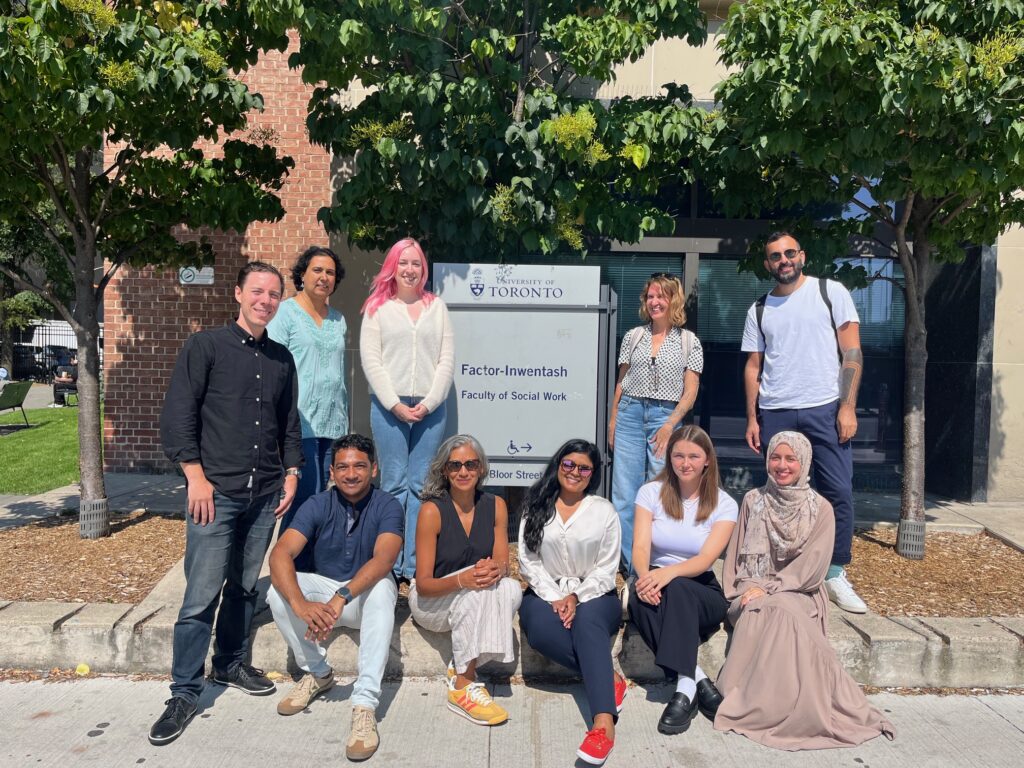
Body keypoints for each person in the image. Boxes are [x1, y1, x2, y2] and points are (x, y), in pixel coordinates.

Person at [152, 262, 302, 746]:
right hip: (215, 495)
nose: (265, 300)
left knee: (242, 588)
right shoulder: (206, 347)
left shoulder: (281, 359)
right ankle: (184, 691)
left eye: (274, 293)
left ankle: (230, 665)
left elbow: (288, 423)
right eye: (257, 291)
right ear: (239, 293)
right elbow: (179, 414)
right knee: (200, 597)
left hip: (264, 495)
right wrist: (194, 476)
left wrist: (293, 473)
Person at [714, 431, 895, 750]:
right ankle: (754, 704)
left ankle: (790, 709)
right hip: (754, 585)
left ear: (804, 462)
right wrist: (750, 588)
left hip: (801, 591)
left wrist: (772, 589)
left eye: (790, 458)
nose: (781, 465)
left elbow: (811, 569)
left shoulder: (821, 509)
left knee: (781, 611)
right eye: (775, 457)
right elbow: (739, 558)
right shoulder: (753, 501)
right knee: (758, 611)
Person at [742, 231, 867, 613]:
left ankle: (833, 572)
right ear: (767, 264)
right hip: (777, 409)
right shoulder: (759, 309)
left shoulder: (831, 292)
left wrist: (847, 407)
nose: (784, 259)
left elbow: (852, 351)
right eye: (775, 255)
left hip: (824, 407)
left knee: (837, 491)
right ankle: (782, 566)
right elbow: (753, 366)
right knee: (778, 494)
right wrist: (752, 417)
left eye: (789, 252)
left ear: (802, 256)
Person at [266, 433, 402, 762]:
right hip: (325, 592)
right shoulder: (317, 504)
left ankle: (365, 704)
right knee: (277, 590)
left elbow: (384, 559)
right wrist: (300, 603)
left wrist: (342, 596)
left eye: (359, 466)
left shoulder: (388, 505)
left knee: (384, 585)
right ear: (331, 472)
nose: (351, 474)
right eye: (342, 467)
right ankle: (318, 674)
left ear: (374, 469)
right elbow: (281, 553)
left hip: (361, 596)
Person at [518, 440, 626, 767]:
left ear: (592, 474)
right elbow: (528, 561)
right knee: (538, 631)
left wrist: (576, 597)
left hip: (596, 594)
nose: (574, 472)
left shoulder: (603, 511)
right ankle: (609, 679)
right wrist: (555, 597)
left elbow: (607, 568)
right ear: (558, 465)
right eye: (568, 464)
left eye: (583, 468)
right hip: (545, 592)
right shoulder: (536, 505)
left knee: (587, 623)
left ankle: (603, 724)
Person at [627, 425, 737, 735]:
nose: (684, 463)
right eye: (678, 455)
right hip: (656, 580)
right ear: (669, 458)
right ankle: (695, 680)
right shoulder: (650, 493)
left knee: (676, 588)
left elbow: (705, 560)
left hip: (701, 590)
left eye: (693, 456)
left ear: (707, 460)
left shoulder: (724, 503)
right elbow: (640, 547)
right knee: (639, 601)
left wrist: (668, 573)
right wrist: (646, 577)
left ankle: (684, 688)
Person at [408, 434, 522, 726]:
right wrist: (463, 580)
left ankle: (462, 663)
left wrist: (495, 571)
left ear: (481, 468)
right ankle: (463, 687)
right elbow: (423, 584)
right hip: (431, 602)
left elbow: (502, 566)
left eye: (471, 464)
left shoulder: (495, 505)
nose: (463, 472)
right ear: (444, 470)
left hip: (474, 593)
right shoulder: (432, 510)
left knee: (509, 588)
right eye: (455, 465)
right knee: (476, 593)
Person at [359, 237, 454, 581]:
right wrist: (394, 404)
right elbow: (372, 361)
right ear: (392, 267)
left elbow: (446, 360)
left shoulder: (437, 307)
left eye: (416, 263)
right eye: (403, 263)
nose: (410, 270)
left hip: (431, 408)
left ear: (423, 269)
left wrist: (429, 402)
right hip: (389, 407)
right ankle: (389, 562)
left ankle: (414, 566)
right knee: (394, 484)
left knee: (421, 486)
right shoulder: (377, 308)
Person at [610, 273, 703, 574]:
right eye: (650, 296)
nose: (654, 302)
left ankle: (655, 561)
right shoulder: (633, 336)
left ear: (672, 300)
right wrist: (613, 421)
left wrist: (670, 424)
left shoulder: (689, 341)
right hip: (630, 412)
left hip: (666, 416)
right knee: (624, 494)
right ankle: (630, 567)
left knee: (660, 491)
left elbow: (690, 392)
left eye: (660, 296)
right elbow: (621, 382)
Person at [268, 246, 349, 531]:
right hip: (300, 422)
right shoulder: (285, 314)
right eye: (317, 270)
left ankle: (307, 565)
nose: (324, 277)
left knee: (323, 500)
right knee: (304, 497)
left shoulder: (338, 319)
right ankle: (286, 565)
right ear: (302, 274)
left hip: (333, 423)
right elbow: (272, 368)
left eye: (330, 272)